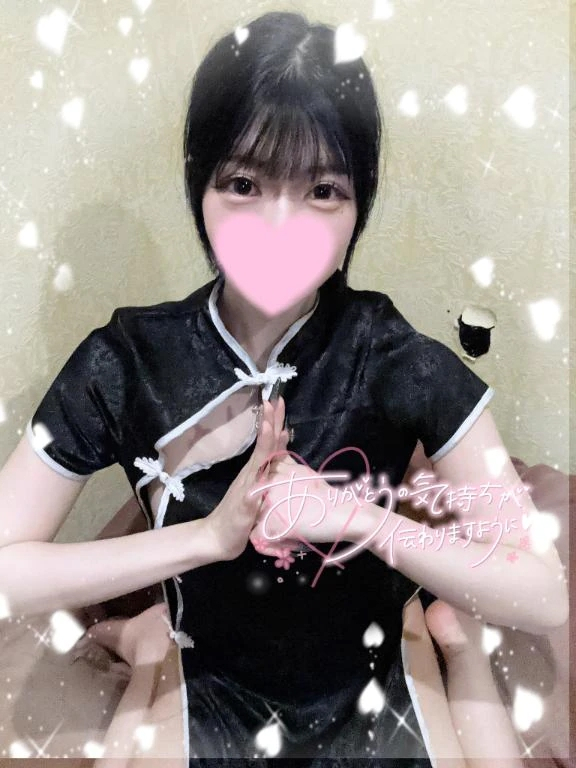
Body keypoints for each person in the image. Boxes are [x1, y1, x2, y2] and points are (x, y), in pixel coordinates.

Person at [0, 10, 567, 767]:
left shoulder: (395, 356)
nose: (279, 226)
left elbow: (544, 593)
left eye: (323, 190)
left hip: (369, 671)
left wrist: (354, 517)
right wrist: (204, 539)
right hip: (214, 673)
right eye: (244, 183)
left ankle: (443, 644)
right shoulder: (126, 362)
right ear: (199, 184)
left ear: (359, 203)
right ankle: (147, 645)